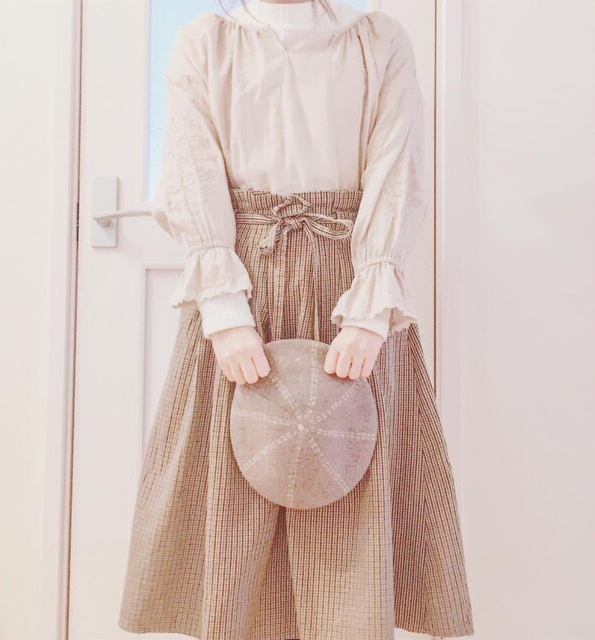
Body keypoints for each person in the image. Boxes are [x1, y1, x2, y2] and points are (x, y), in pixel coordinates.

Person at [118, 1, 475, 638]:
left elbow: (398, 169)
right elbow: (191, 170)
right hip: (244, 289)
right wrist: (224, 312)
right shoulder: (205, 42)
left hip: (348, 291)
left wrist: (369, 313)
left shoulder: (379, 40)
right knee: (240, 506)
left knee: (345, 495)